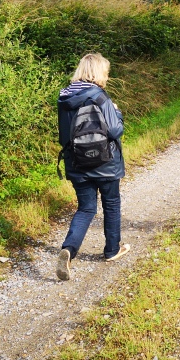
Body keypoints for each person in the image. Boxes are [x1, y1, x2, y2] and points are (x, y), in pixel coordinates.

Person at [55, 53, 130, 281]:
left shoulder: (64, 98)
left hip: (77, 161)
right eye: (106, 72)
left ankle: (69, 249)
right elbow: (116, 130)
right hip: (105, 162)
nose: (107, 77)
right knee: (111, 204)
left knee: (86, 208)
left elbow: (63, 136)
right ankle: (112, 250)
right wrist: (116, 111)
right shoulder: (100, 96)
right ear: (98, 73)